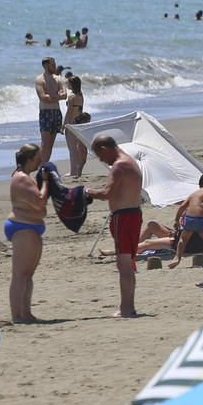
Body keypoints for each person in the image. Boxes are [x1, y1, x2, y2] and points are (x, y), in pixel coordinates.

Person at [86, 135, 143, 317]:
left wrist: (86, 191)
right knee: (127, 264)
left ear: (104, 149)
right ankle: (128, 307)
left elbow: (107, 193)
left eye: (100, 156)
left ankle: (126, 308)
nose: (102, 160)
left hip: (124, 217)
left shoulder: (119, 164)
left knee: (124, 264)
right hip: (132, 215)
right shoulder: (129, 161)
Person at [5, 143, 47, 323]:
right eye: (38, 159)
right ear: (29, 160)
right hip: (22, 227)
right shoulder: (21, 177)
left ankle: (26, 313)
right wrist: (47, 182)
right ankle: (16, 315)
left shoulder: (26, 177)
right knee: (19, 274)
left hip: (29, 227)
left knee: (28, 274)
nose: (40, 162)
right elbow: (40, 201)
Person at [169, 173, 203, 268]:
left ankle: (177, 259)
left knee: (183, 240)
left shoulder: (192, 194)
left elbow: (182, 206)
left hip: (188, 219)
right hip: (199, 220)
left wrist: (176, 220)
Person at [34, 58, 66, 165]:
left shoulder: (58, 79)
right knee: (45, 142)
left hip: (56, 112)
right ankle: (39, 165)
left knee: (51, 143)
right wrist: (57, 96)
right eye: (52, 65)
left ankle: (45, 165)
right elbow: (43, 97)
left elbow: (64, 95)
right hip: (45, 112)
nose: (55, 67)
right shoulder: (40, 79)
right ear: (45, 66)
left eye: (55, 65)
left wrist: (51, 96)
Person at [62, 75, 88, 177]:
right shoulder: (80, 96)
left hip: (71, 123)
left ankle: (73, 171)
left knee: (72, 148)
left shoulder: (71, 96)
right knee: (76, 147)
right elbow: (80, 110)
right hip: (79, 123)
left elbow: (69, 112)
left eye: (68, 83)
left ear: (72, 84)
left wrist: (64, 125)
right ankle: (76, 169)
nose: (66, 84)